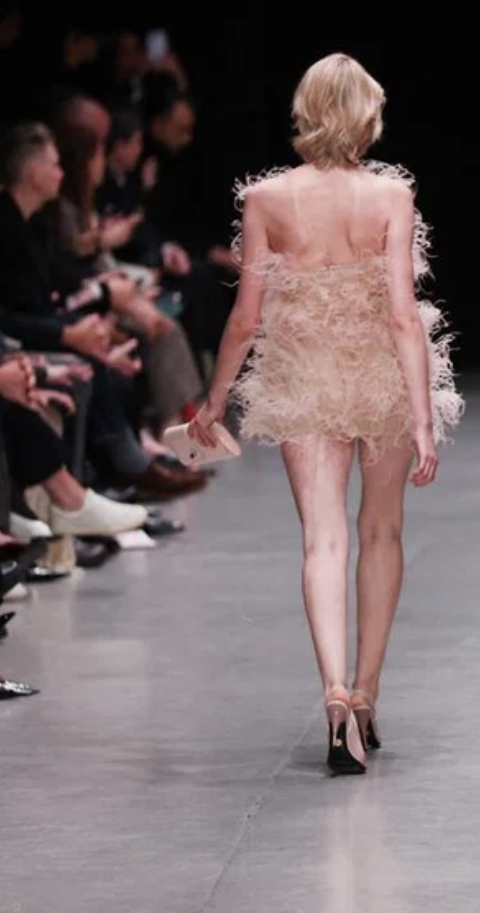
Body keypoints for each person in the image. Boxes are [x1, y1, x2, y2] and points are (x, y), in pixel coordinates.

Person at [189, 53, 463, 776]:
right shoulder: (391, 195)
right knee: (382, 532)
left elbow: (245, 317)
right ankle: (367, 694)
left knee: (323, 541)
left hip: (303, 375)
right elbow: (403, 315)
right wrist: (422, 415)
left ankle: (335, 693)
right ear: (366, 116)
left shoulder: (267, 199)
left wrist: (215, 398)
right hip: (379, 376)